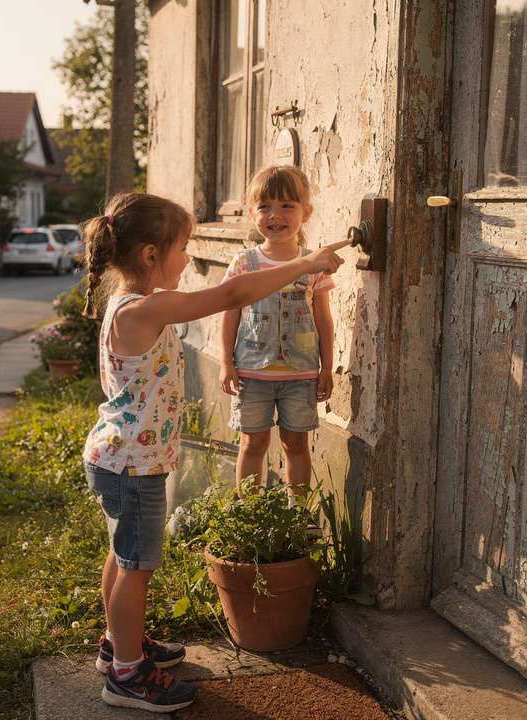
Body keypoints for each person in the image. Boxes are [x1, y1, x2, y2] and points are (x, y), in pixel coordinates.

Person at [79, 192, 350, 713]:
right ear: (151, 255)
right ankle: (127, 676)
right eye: (184, 248)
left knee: (123, 555)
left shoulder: (124, 304)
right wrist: (307, 263)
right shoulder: (148, 307)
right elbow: (234, 295)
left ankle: (119, 645)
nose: (188, 259)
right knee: (137, 565)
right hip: (132, 463)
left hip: (119, 457)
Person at [218, 165, 334, 517]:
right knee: (253, 443)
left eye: (287, 206)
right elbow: (229, 312)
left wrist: (327, 367)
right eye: (265, 206)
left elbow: (324, 319)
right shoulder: (245, 262)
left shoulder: (313, 264)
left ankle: (297, 515)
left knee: (295, 444)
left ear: (306, 213)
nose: (275, 215)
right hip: (252, 373)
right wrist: (226, 362)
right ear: (253, 213)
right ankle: (248, 516)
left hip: (299, 375)